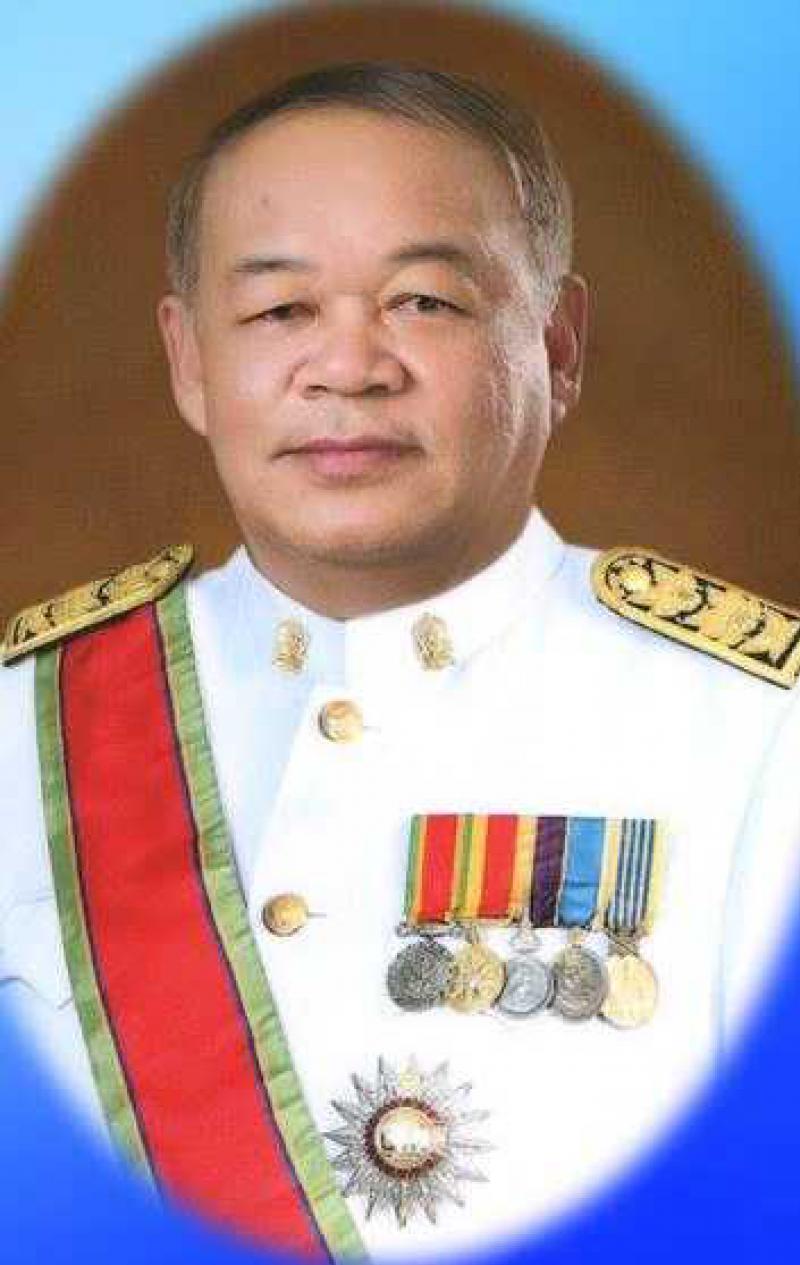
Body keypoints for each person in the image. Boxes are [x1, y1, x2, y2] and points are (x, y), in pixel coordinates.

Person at [1, 62, 799, 1261]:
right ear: (188, 360)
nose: (349, 366)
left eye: (423, 300)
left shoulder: (755, 732)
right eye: (279, 310)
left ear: (556, 345)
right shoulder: (25, 724)